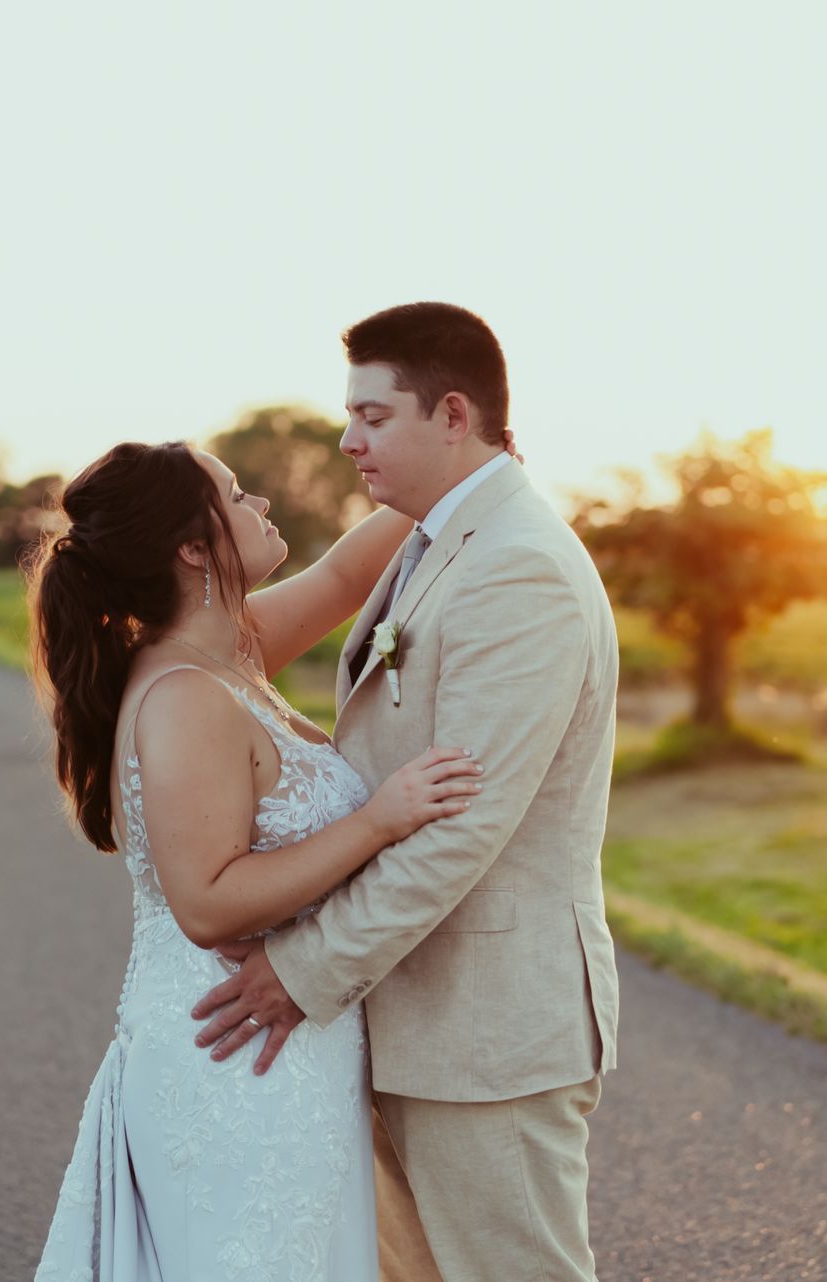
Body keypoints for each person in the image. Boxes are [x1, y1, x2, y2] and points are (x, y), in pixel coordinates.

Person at [192, 302, 622, 1282]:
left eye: (373, 417)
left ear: (454, 415)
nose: (348, 442)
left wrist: (301, 970)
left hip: (489, 1030)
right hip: (418, 1018)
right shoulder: (437, 543)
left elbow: (458, 831)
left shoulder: (520, 569)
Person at [25, 438, 485, 1280]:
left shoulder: (228, 654)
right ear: (194, 548)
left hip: (281, 1039)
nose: (262, 505)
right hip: (237, 1052)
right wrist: (377, 822)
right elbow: (206, 900)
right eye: (237, 495)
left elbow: (348, 578)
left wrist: (465, 462)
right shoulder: (186, 697)